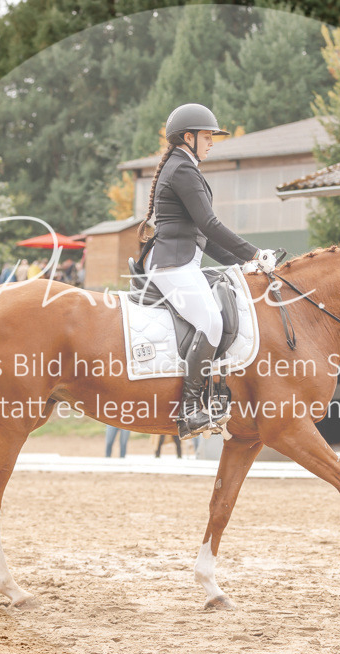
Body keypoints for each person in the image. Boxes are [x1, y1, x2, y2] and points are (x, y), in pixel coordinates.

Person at [137, 103, 276, 438]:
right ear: (188, 137)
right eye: (207, 136)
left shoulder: (183, 166)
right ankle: (188, 410)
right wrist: (254, 251)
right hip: (171, 263)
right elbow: (210, 224)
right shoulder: (182, 169)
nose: (212, 142)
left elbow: (202, 236)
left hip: (181, 259)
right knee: (212, 321)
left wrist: (243, 264)